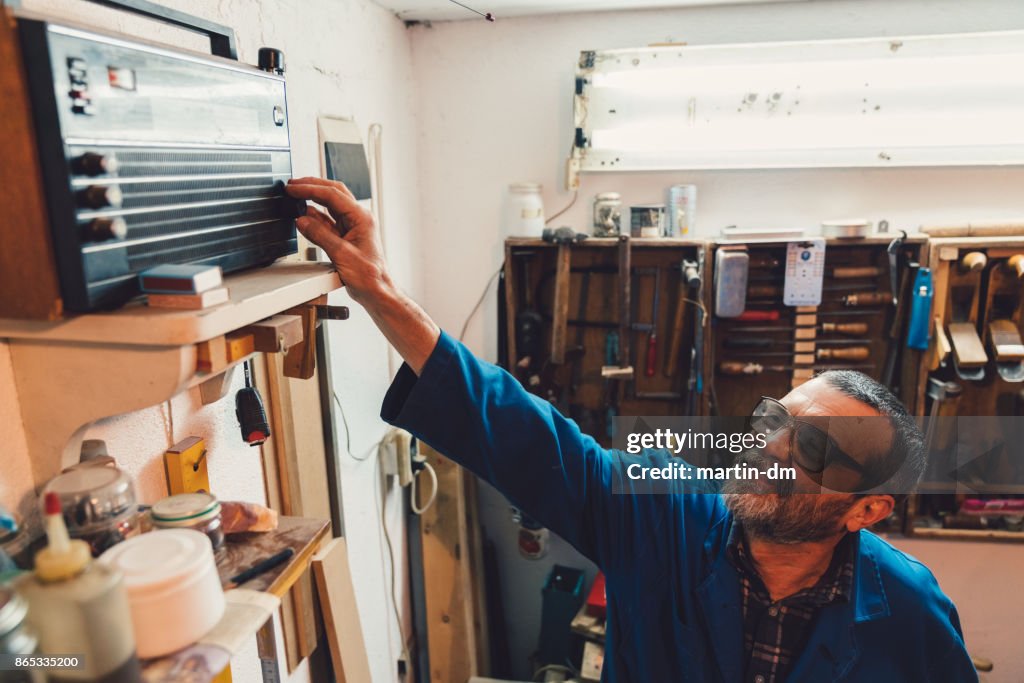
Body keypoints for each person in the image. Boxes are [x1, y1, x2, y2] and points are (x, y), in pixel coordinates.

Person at [285, 177, 978, 682]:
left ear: (867, 507)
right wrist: (378, 290)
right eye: (775, 419)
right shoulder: (663, 511)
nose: (771, 448)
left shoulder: (908, 609)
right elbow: (525, 432)